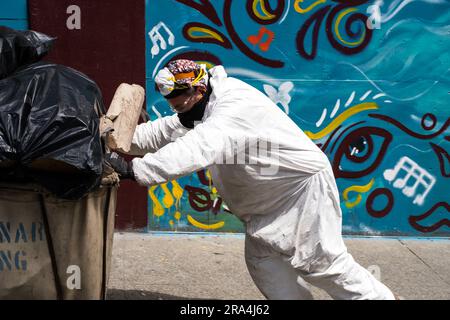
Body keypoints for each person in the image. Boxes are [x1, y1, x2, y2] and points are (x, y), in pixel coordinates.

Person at [106, 59, 395, 300]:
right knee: (264, 263)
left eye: (178, 104)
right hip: (268, 204)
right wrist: (110, 138)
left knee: (323, 265)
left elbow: (198, 147)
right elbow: (163, 131)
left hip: (300, 192)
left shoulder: (233, 106)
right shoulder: (202, 107)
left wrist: (134, 170)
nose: (175, 111)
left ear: (197, 89)